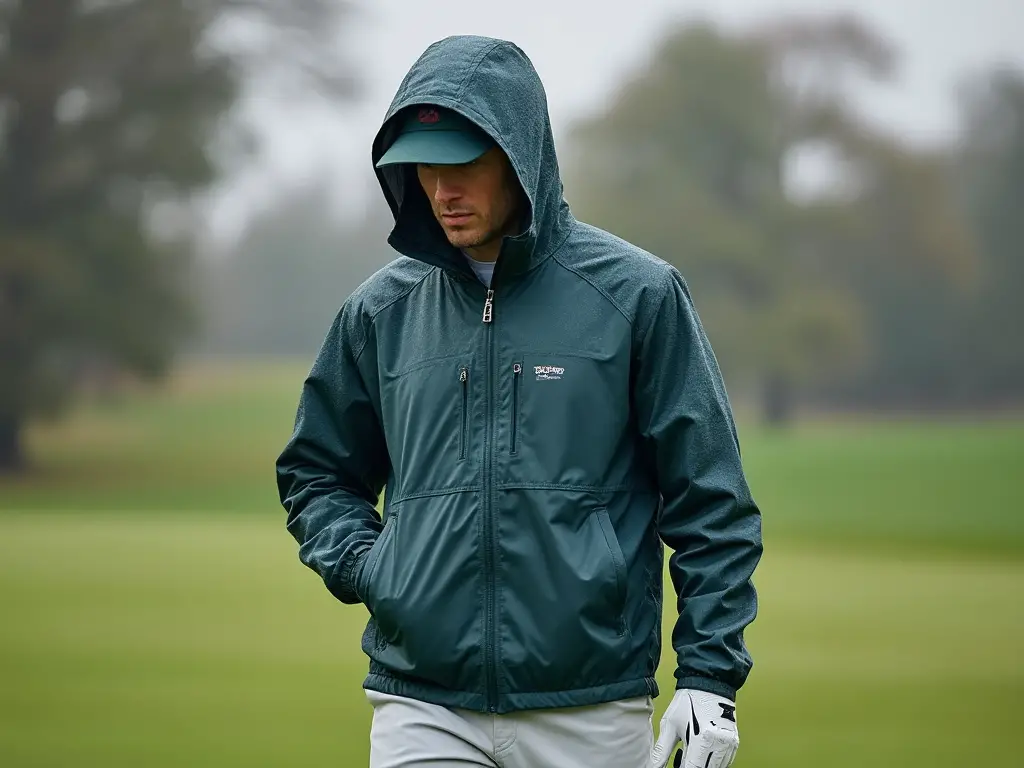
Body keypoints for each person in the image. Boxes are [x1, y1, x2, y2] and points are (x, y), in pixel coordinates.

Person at [276, 35, 762, 768]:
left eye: (465, 164)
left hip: (591, 707)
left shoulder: (638, 297)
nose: (443, 190)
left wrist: (709, 676)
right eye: (425, 167)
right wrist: (375, 568)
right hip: (423, 703)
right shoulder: (380, 313)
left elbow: (710, 500)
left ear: (520, 154)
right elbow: (316, 473)